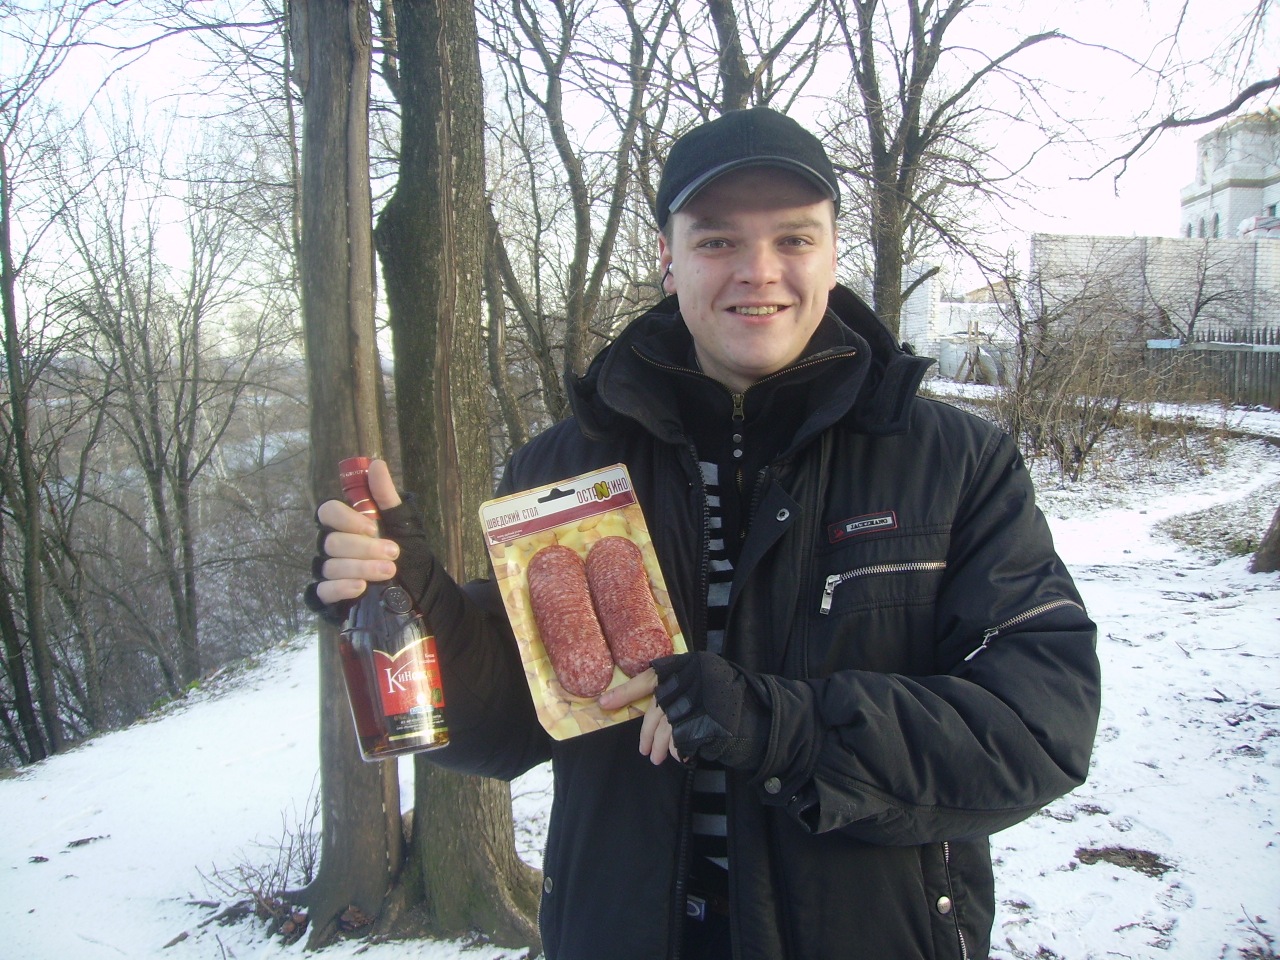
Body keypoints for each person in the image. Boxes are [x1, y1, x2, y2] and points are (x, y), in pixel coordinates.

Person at [307, 107, 1101, 960]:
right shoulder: (563, 468)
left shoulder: (953, 463)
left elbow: (1040, 725)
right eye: (718, 240)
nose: (758, 272)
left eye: (794, 239)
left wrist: (784, 727)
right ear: (669, 255)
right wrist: (420, 612)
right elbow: (513, 727)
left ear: (833, 253)